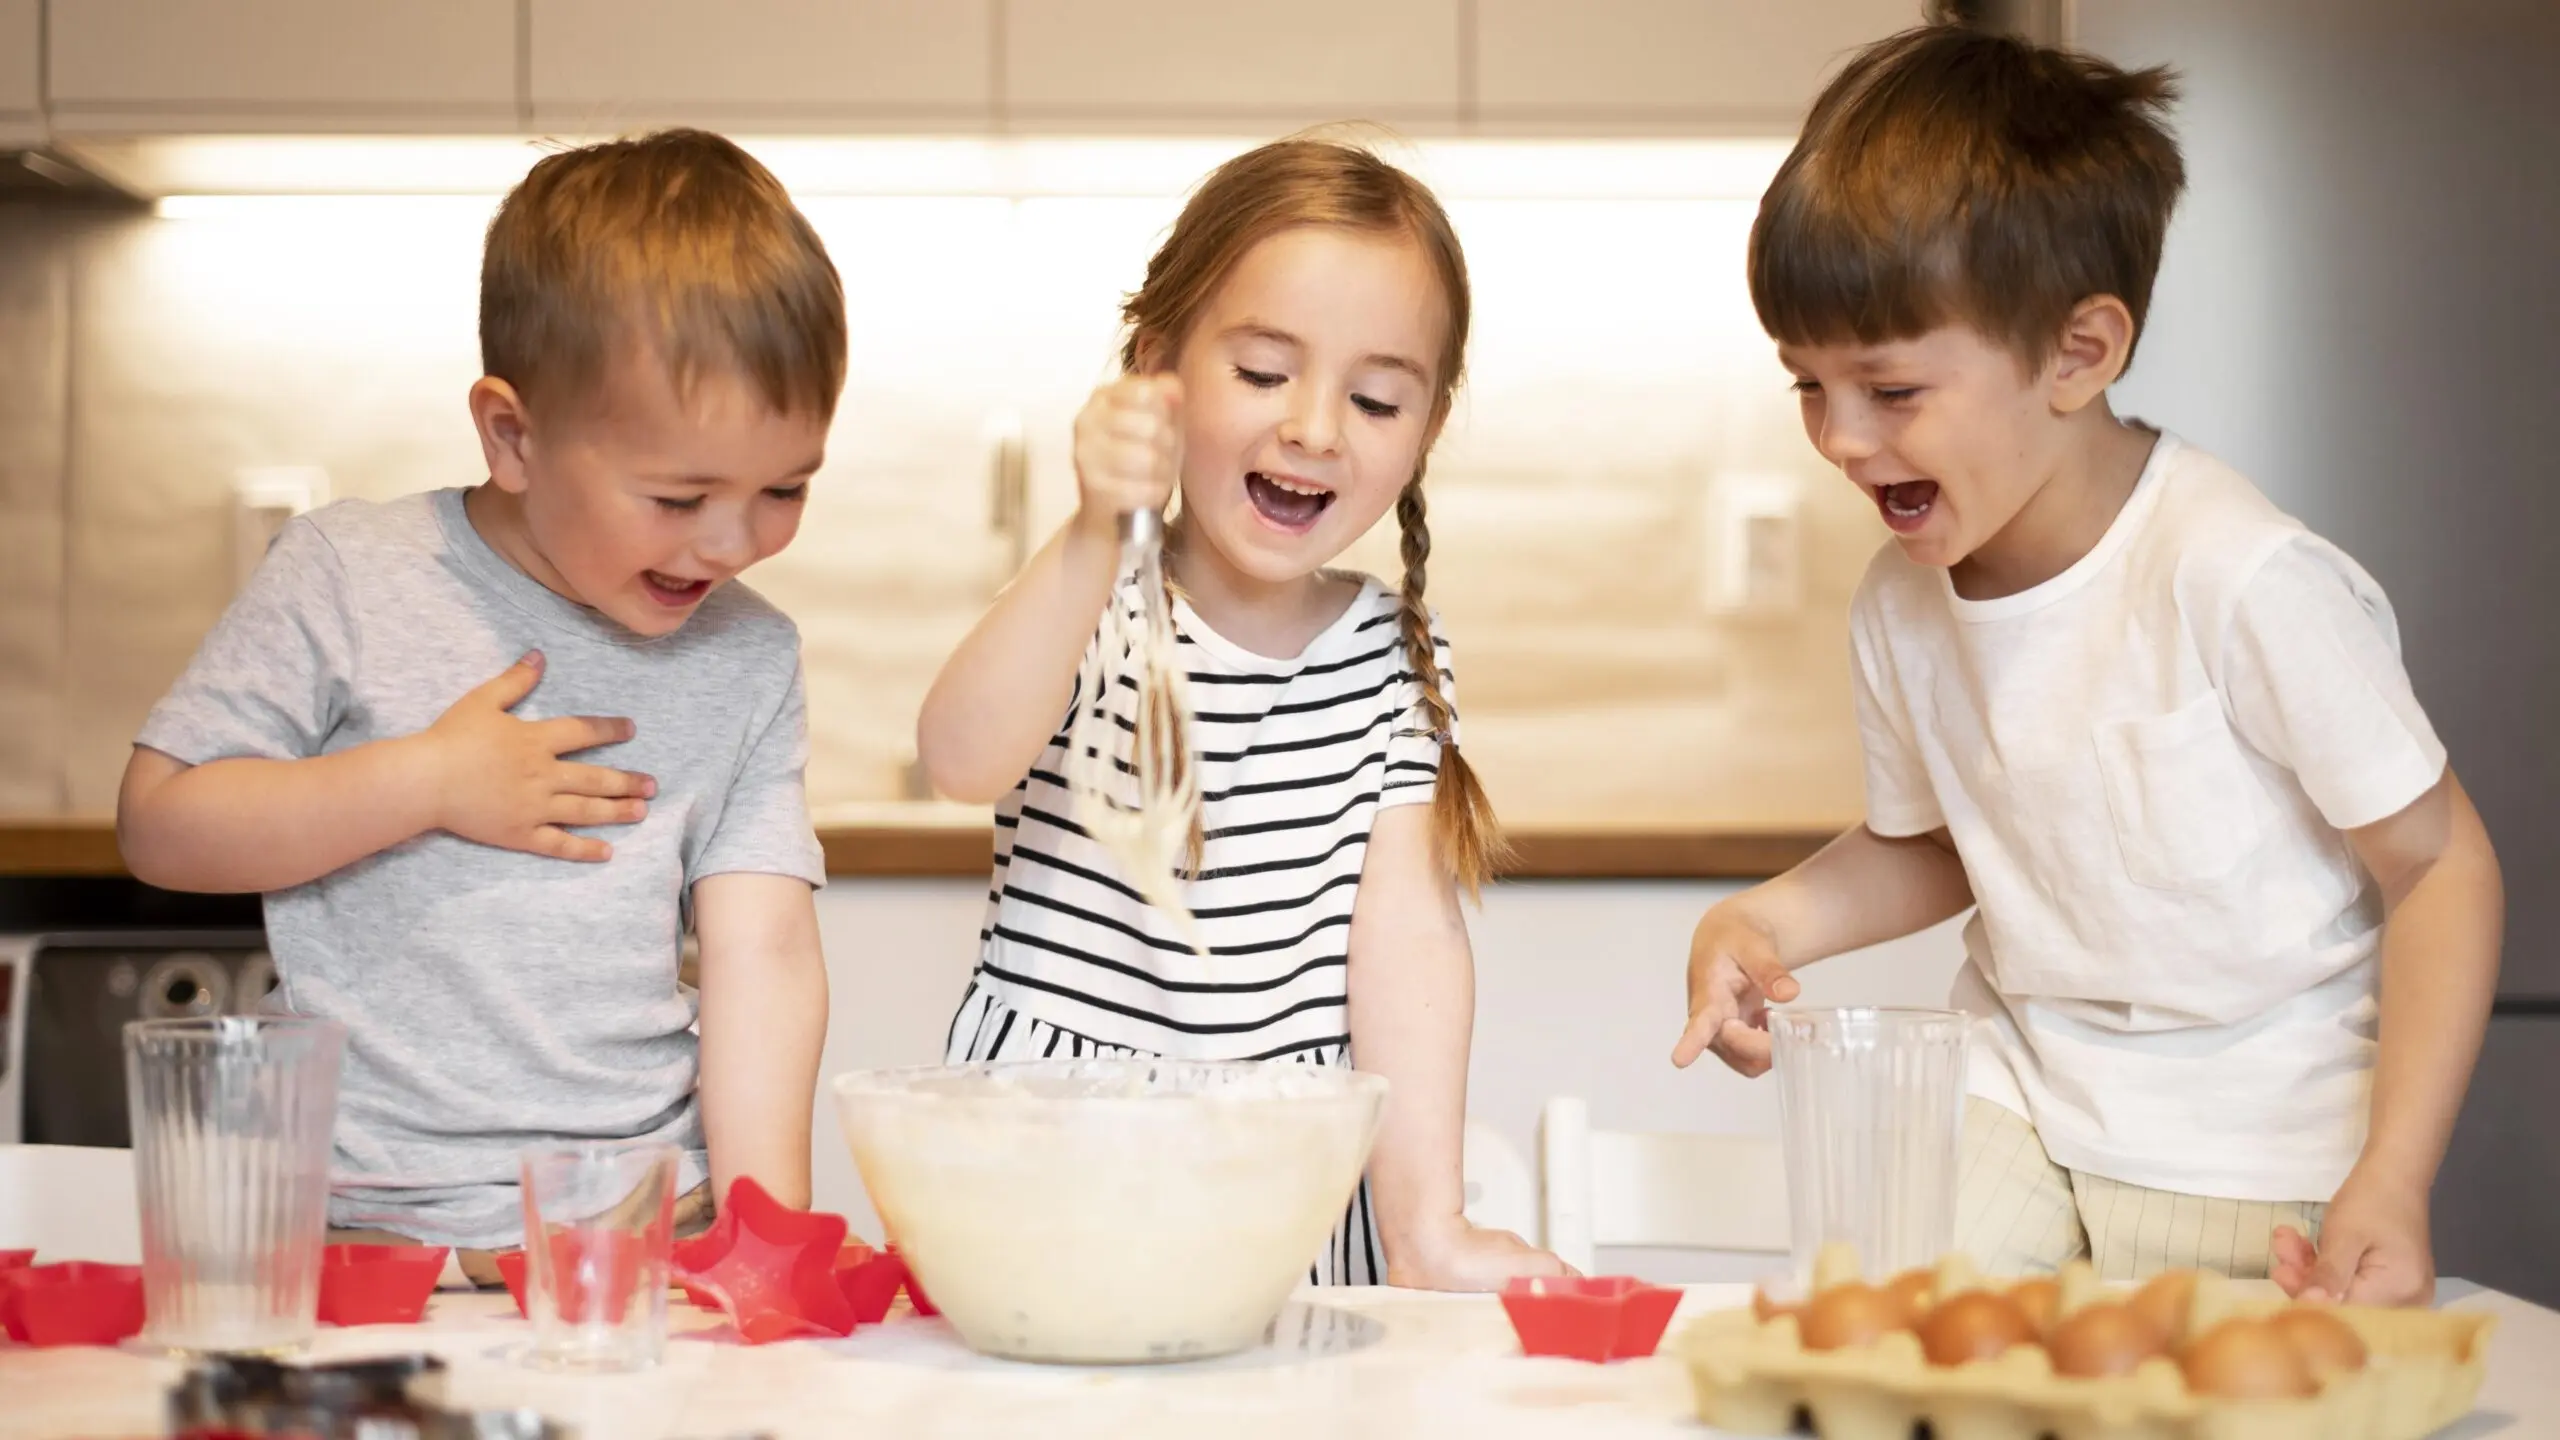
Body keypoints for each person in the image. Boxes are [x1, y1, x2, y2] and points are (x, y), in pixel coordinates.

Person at [1672, 27, 2503, 1304]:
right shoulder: (1900, 603)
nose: (1837, 439)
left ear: (2078, 354)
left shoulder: (2235, 576)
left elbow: (2439, 863)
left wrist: (2391, 1174)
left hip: (2254, 1138)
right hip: (2016, 1097)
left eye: (1890, 390)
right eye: (1808, 387)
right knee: (1894, 1345)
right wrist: (1765, 921)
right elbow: (1940, 844)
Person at [117, 129, 844, 1284]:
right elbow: (162, 823)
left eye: (784, 488)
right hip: (354, 1236)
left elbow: (763, 952)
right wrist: (427, 782)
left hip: (638, 1235)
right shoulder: (350, 576)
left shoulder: (750, 655)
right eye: (678, 497)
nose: (729, 542)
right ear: (513, 436)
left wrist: (763, 1240)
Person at [916, 137, 1567, 1290]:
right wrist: (1090, 528)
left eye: (1375, 399)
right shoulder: (1086, 595)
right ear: (1156, 372)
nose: (1315, 427)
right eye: (1264, 373)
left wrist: (1425, 1225)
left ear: (1426, 426)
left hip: (1290, 1184)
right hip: (1055, 1161)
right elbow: (959, 760)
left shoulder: (1393, 655)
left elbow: (1410, 943)